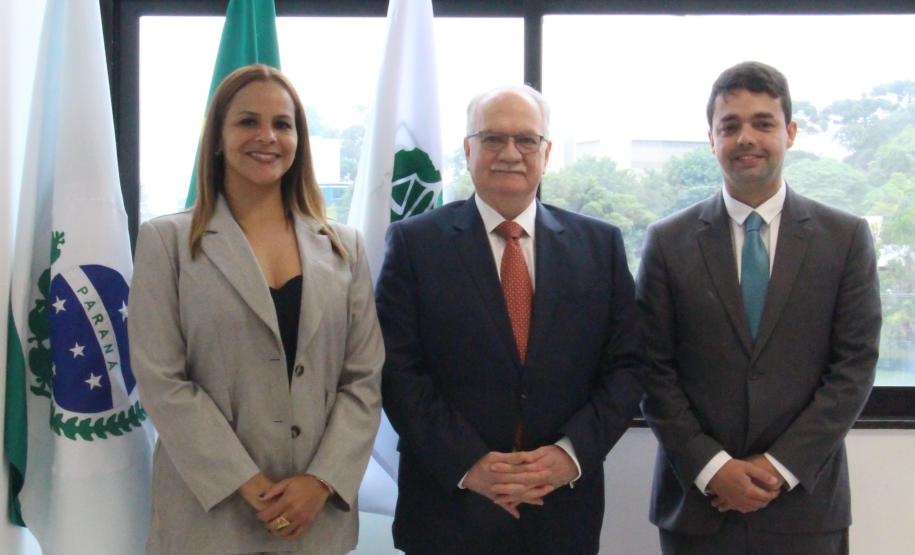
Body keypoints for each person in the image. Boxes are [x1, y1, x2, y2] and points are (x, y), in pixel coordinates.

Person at [375, 84, 645, 555]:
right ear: (467, 150)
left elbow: (628, 367)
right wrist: (470, 464)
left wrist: (569, 455)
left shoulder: (600, 246)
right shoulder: (414, 244)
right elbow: (397, 370)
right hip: (448, 509)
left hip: (562, 511)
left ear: (547, 153)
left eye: (526, 140)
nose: (510, 153)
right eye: (493, 138)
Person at [128, 64, 384, 554]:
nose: (267, 136)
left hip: (316, 524)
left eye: (282, 124)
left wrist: (321, 481)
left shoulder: (344, 247)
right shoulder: (167, 242)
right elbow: (163, 381)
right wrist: (250, 485)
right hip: (210, 519)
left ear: (298, 140)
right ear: (218, 138)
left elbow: (363, 378)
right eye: (248, 121)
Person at [638, 61, 882, 555]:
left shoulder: (845, 238)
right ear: (711, 138)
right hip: (699, 507)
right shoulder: (667, 242)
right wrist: (713, 468)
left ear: (790, 132)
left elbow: (854, 368)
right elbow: (650, 368)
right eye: (730, 126)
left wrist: (779, 466)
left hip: (805, 507)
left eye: (763, 123)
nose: (746, 137)